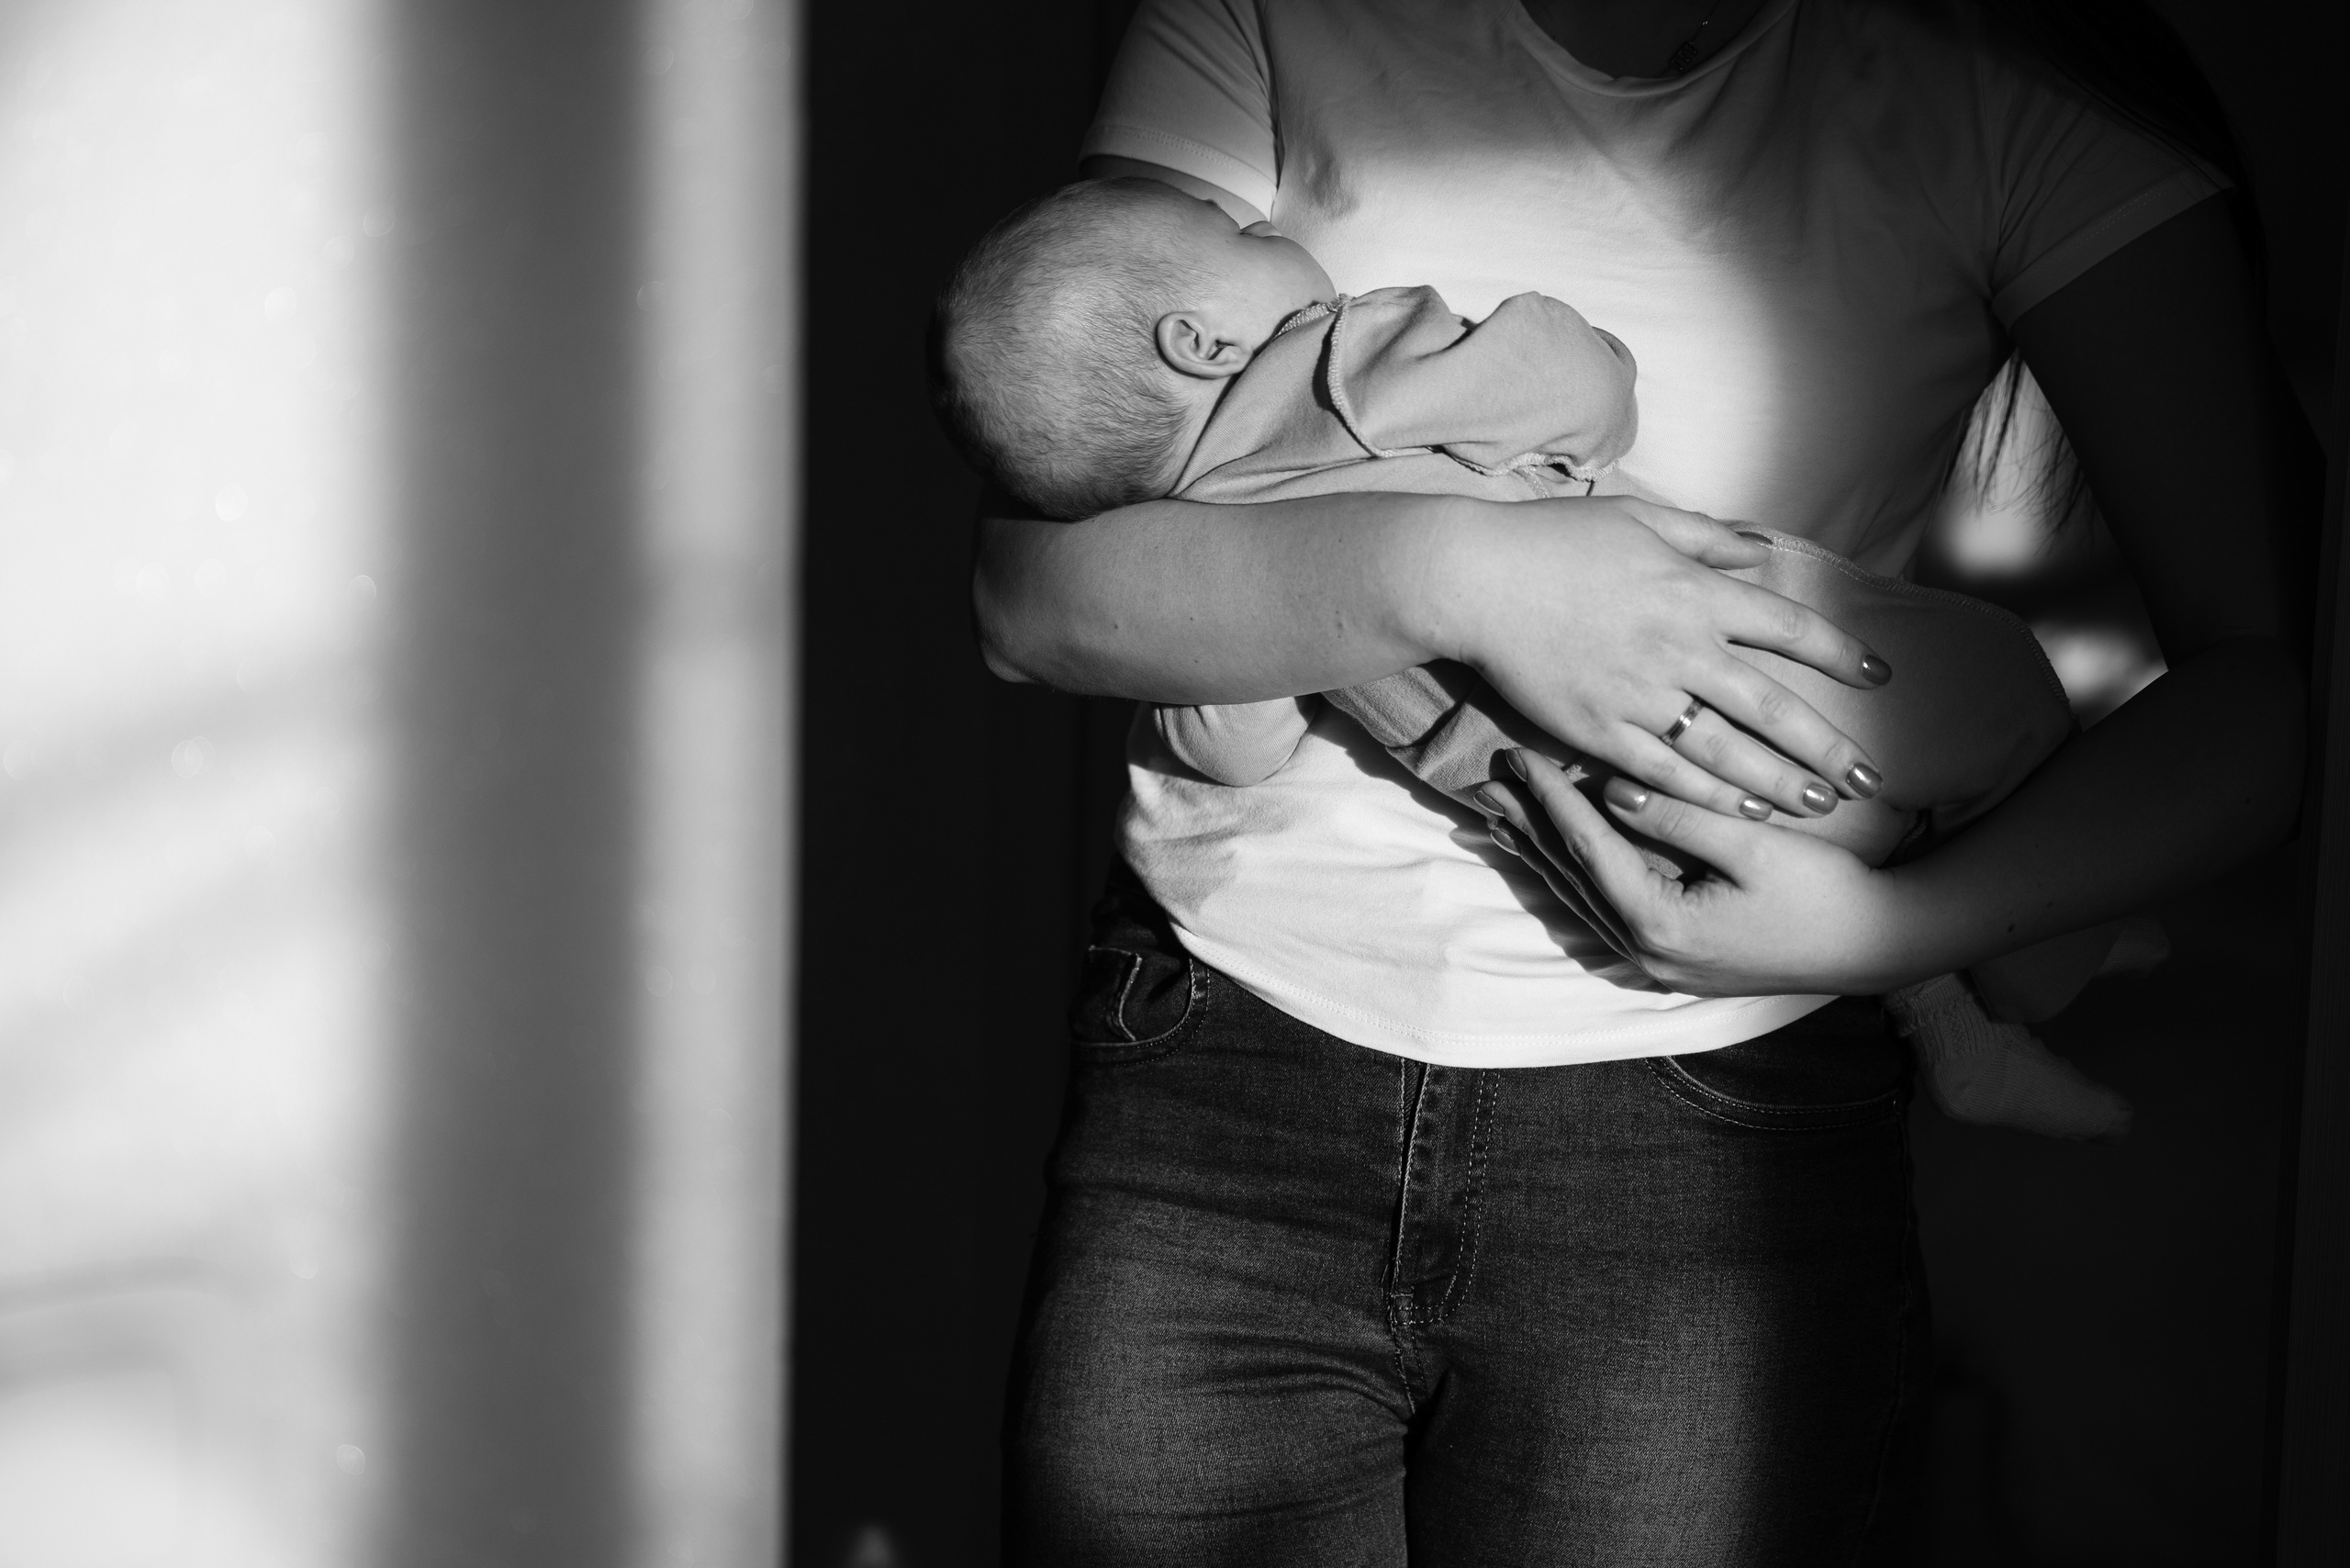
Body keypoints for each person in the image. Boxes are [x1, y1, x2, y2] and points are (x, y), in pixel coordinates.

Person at [977, 1, 2311, 1561]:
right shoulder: (1273, 64)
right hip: (1224, 1079)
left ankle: (1978, 973)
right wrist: (1474, 575)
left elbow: (2262, 705)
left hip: (1705, 1112)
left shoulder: (2008, 98)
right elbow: (1037, 596)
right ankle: (1999, 981)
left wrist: (1883, 935)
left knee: (1936, 739)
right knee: (1980, 702)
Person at [933, 174, 2145, 1137]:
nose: (1268, 233)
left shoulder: (1206, 569)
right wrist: (1572, 365)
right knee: (2004, 696)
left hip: (1601, 834)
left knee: (1875, 853)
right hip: (1743, 666)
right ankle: (2044, 970)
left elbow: (1230, 747)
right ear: (1202, 341)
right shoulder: (1339, 366)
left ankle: (1963, 1036)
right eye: (1241, 226)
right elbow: (1575, 385)